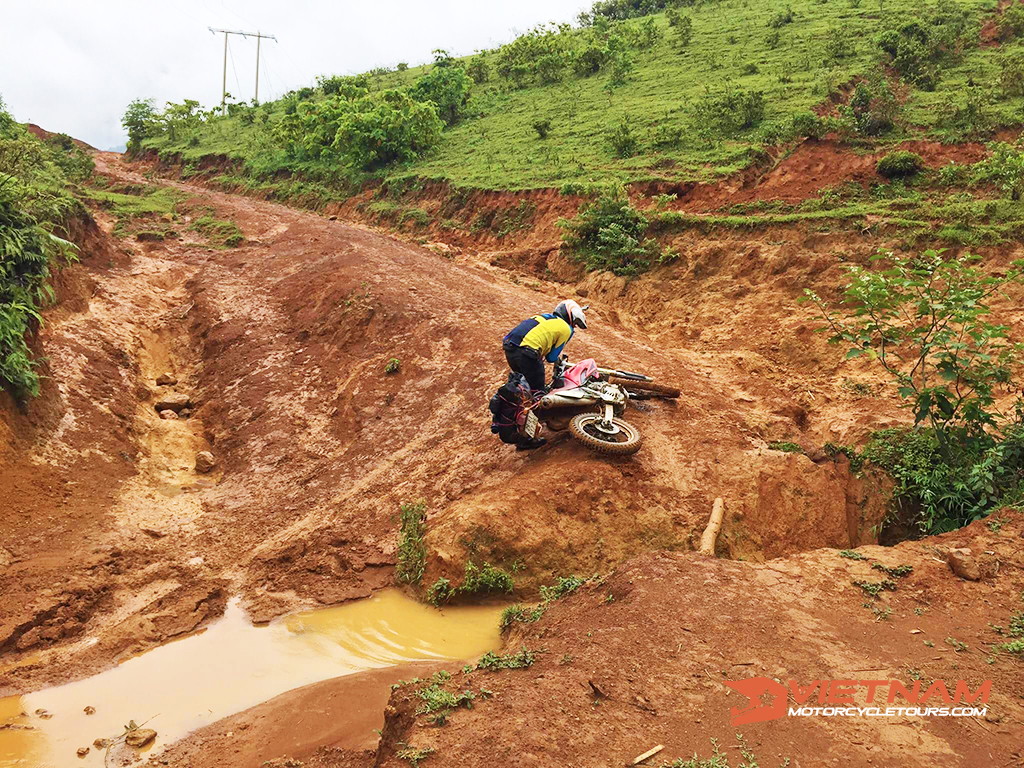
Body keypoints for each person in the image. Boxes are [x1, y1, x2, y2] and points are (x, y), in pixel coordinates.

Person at [502, 300, 588, 393]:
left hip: (509, 348)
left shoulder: (543, 317)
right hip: (528, 353)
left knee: (521, 384)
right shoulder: (566, 328)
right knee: (538, 392)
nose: (574, 327)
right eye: (575, 324)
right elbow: (551, 358)